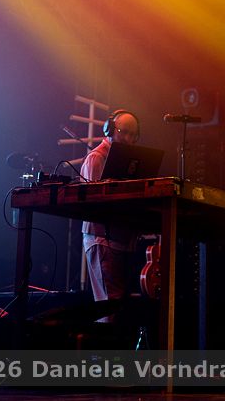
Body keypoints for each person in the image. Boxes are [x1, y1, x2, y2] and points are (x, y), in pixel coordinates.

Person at [73, 109, 141, 320]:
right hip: (103, 240)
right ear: (109, 130)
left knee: (119, 309)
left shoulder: (128, 160)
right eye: (124, 132)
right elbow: (91, 205)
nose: (128, 139)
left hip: (121, 240)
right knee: (109, 308)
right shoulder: (96, 158)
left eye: (133, 135)